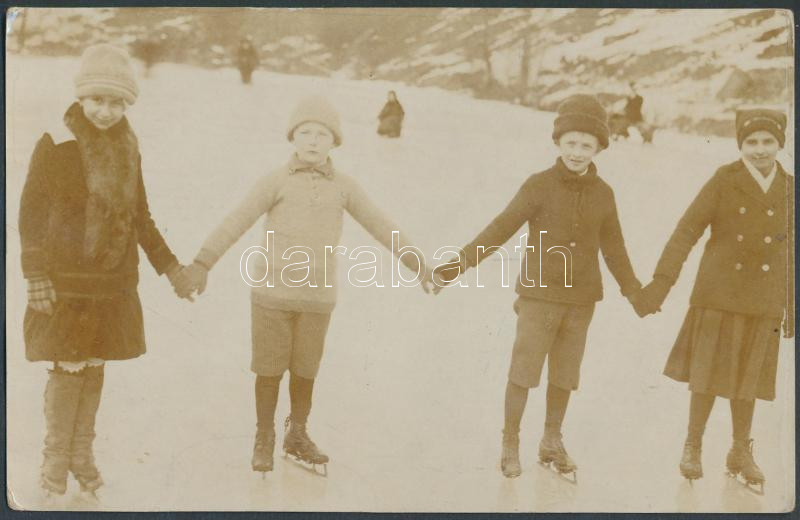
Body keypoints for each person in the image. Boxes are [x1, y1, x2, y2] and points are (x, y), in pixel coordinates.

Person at [180, 96, 434, 475]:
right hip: (271, 295)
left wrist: (418, 264)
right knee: (268, 369)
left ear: (335, 141)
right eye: (305, 132)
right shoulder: (275, 181)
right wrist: (203, 262)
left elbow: (380, 225)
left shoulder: (344, 187)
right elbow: (237, 220)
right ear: (292, 138)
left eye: (322, 134)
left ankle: (296, 432)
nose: (313, 140)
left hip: (317, 298)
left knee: (305, 370)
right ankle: (264, 434)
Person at [434, 94, 643, 479]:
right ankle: (510, 441)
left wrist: (634, 291)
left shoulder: (604, 194)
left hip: (581, 301)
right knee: (524, 371)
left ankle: (551, 440)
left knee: (565, 374)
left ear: (599, 148)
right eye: (570, 143)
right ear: (558, 141)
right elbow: (500, 228)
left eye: (586, 145)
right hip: (539, 297)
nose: (577, 152)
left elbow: (615, 248)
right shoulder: (538, 185)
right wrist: (456, 266)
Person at [19, 44, 192, 498]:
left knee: (94, 365)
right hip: (65, 284)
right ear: (81, 97)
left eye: (117, 103)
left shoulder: (128, 148)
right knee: (68, 365)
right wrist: (35, 274)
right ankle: (56, 457)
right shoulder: (57, 144)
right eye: (97, 100)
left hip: (111, 285)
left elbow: (140, 217)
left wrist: (171, 268)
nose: (105, 111)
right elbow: (31, 214)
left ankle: (81, 454)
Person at [636, 107, 794, 489]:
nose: (760, 149)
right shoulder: (725, 179)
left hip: (763, 298)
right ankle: (693, 445)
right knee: (706, 375)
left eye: (768, 141)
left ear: (780, 144)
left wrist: (792, 304)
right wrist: (661, 282)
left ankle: (740, 450)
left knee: (748, 379)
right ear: (740, 144)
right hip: (718, 293)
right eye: (751, 142)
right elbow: (686, 231)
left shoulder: (790, 187)